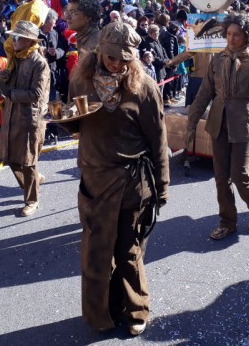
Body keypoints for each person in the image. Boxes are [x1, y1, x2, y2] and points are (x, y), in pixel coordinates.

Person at [60, 21, 169, 335]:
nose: (118, 63)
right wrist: (65, 119)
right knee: (96, 255)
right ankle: (101, 313)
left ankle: (137, 309)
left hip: (131, 184)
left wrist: (162, 187)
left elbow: (158, 140)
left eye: (125, 58)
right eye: (112, 56)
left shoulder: (144, 86)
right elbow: (77, 125)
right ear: (99, 52)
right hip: (93, 181)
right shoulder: (81, 81)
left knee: (128, 252)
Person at [187, 13, 249, 240]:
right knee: (221, 177)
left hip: (244, 122)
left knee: (240, 175)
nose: (231, 39)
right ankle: (227, 221)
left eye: (237, 35)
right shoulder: (218, 59)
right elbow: (205, 93)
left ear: (247, 36)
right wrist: (191, 122)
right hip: (218, 122)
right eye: (229, 34)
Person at [0, 21, 50, 217]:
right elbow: (5, 87)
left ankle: (32, 200)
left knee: (28, 161)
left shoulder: (39, 63)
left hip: (30, 119)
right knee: (9, 158)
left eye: (17, 37)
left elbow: (36, 94)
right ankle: (34, 180)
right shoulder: (15, 60)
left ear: (28, 41)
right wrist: (1, 79)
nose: (14, 41)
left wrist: (10, 93)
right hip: (12, 116)